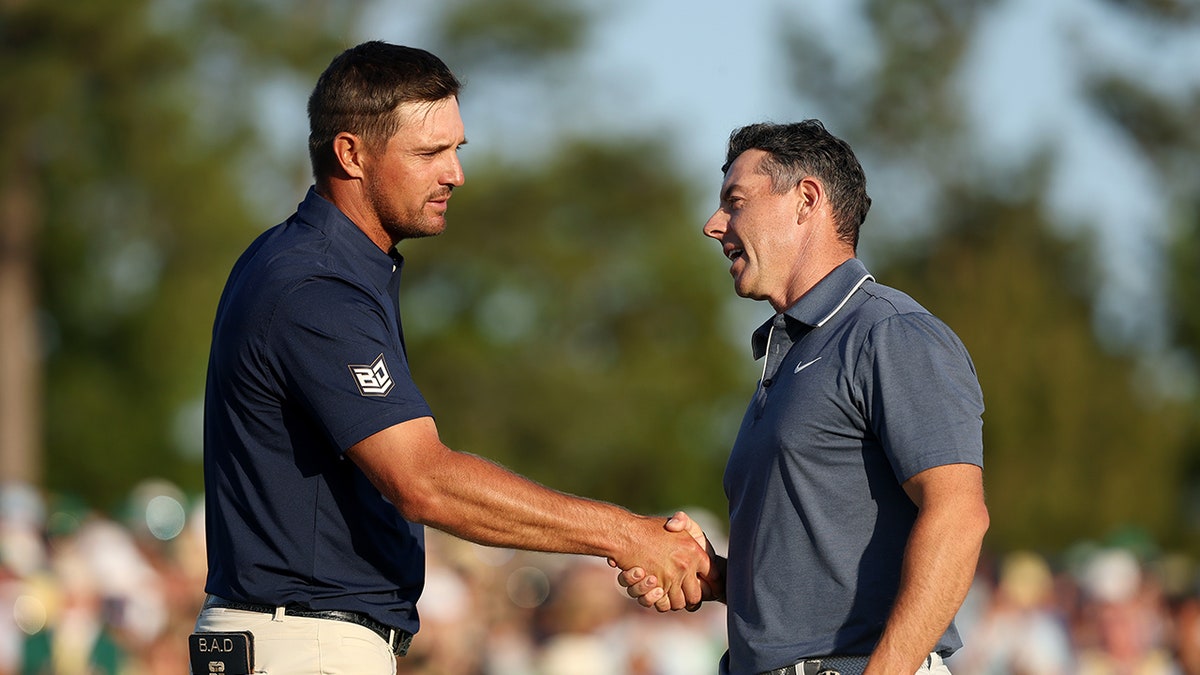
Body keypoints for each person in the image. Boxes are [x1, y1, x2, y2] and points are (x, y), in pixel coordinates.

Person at [192, 40, 709, 675]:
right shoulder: (316, 287)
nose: (455, 173)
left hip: (297, 640)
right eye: (431, 153)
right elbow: (423, 480)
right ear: (350, 153)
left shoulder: (309, 262)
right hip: (306, 645)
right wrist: (627, 534)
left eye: (456, 150)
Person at [622, 120, 989, 675]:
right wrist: (719, 577)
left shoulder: (891, 332)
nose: (713, 224)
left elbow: (959, 515)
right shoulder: (791, 352)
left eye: (735, 202)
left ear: (806, 200)